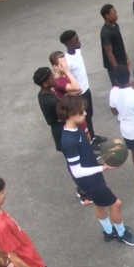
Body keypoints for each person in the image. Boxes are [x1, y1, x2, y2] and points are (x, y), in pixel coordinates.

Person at [57, 95, 134, 245]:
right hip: (90, 181)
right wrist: (102, 167)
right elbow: (76, 170)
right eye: (81, 111)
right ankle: (121, 234)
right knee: (116, 204)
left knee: (99, 204)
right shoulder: (69, 141)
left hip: (90, 178)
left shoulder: (73, 129)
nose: (85, 113)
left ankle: (109, 231)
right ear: (71, 114)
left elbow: (84, 157)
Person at [33, 67, 92, 206]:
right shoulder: (51, 102)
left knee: (74, 161)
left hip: (58, 131)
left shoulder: (43, 94)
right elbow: (64, 115)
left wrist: (66, 97)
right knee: (74, 162)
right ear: (45, 84)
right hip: (62, 132)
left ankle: (82, 187)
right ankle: (84, 192)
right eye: (51, 78)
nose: (54, 77)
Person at [59, 30, 107, 146]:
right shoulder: (67, 62)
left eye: (77, 38)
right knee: (82, 119)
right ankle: (88, 142)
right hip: (79, 94)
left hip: (86, 90)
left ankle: (93, 136)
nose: (79, 41)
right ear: (68, 44)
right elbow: (66, 80)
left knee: (89, 115)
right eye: (75, 40)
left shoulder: (77, 51)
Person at [48, 51, 97, 150]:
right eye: (62, 63)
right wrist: (68, 72)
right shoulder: (58, 82)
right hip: (72, 113)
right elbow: (78, 88)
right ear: (55, 67)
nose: (66, 65)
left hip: (76, 108)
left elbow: (78, 90)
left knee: (87, 134)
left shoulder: (64, 75)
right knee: (84, 137)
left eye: (65, 61)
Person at [100, 4, 132, 86]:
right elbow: (109, 52)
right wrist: (117, 68)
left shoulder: (115, 26)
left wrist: (126, 57)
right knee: (118, 86)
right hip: (114, 65)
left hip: (121, 60)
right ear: (107, 16)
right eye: (114, 14)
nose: (116, 15)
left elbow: (120, 43)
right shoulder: (106, 33)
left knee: (126, 83)